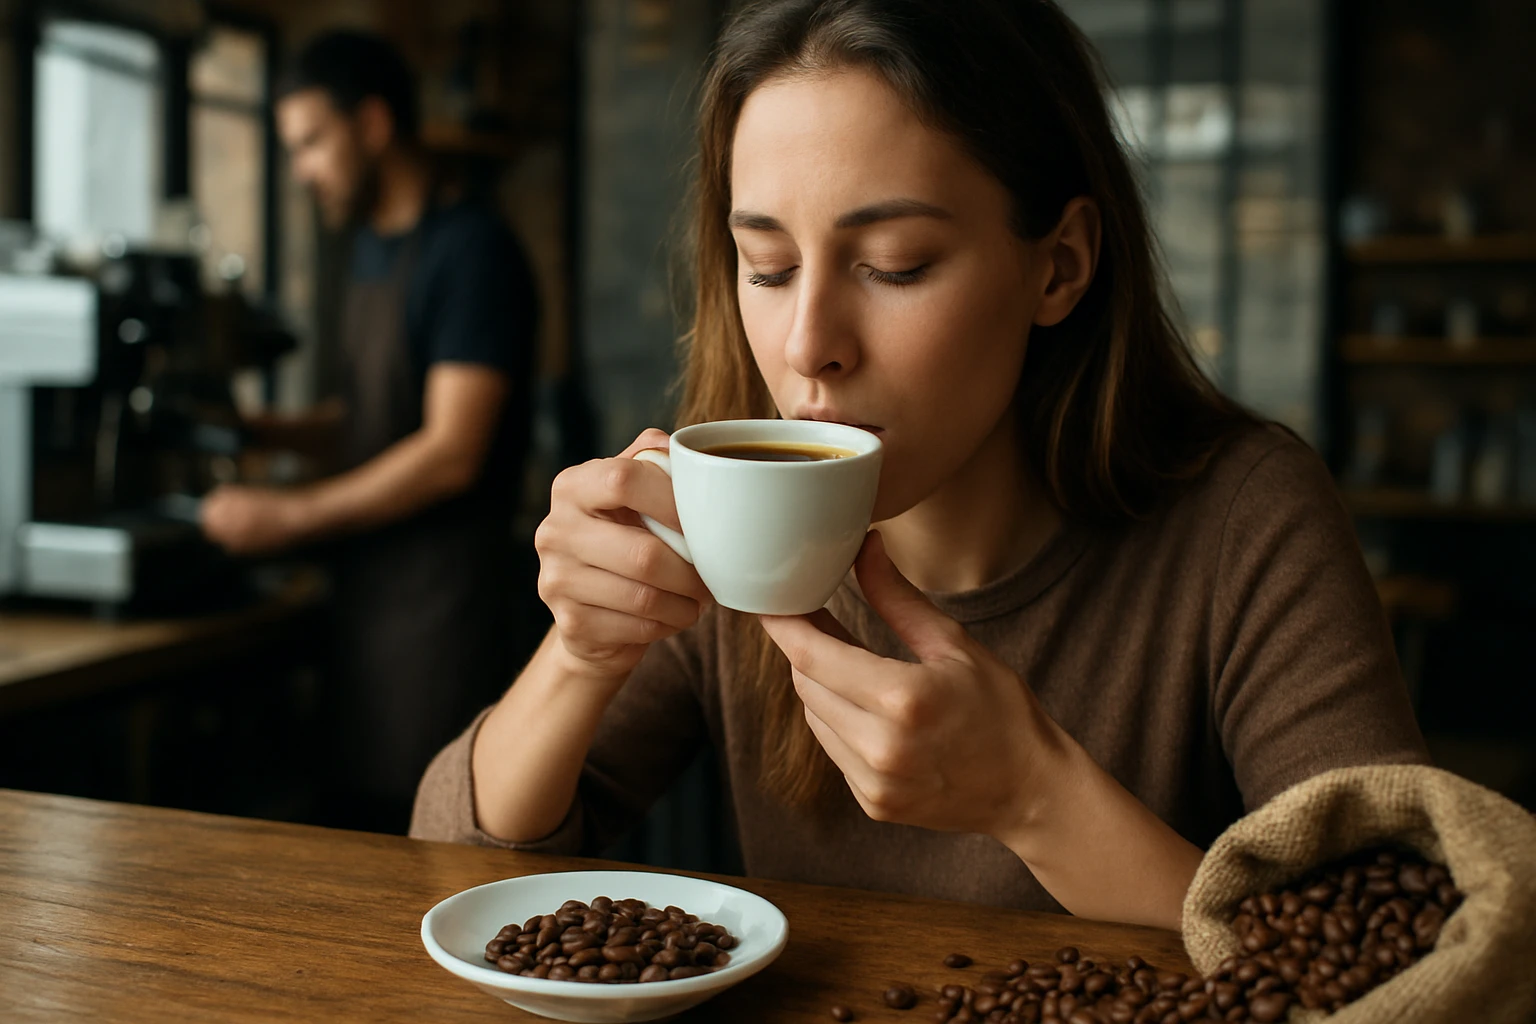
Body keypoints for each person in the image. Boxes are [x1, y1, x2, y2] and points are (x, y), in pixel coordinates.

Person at [409, 0, 1428, 927]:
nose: (809, 344)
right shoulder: (728, 515)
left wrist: (1036, 798)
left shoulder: (1245, 517)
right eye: (768, 267)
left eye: (894, 265)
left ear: (1060, 266)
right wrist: (580, 656)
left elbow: (1415, 968)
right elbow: (444, 871)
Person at [200, 31, 539, 832]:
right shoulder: (371, 249)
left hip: (442, 619)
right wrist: (263, 430)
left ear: (375, 124)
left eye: (312, 142)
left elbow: (450, 452)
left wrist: (286, 516)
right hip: (365, 611)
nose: (301, 170)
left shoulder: (471, 252)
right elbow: (375, 422)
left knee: (438, 833)